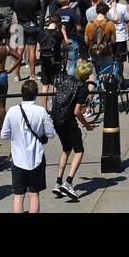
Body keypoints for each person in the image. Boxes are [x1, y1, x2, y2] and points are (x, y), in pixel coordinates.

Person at [0, 80, 56, 213]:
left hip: (18, 159)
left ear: (22, 94)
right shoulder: (41, 111)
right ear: (35, 94)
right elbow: (51, 133)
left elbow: (4, 135)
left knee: (18, 196)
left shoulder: (13, 111)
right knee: (34, 194)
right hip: (36, 158)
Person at [51, 60, 95, 200]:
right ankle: (68, 183)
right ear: (87, 75)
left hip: (57, 120)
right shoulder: (83, 88)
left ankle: (58, 182)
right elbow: (77, 111)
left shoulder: (66, 80)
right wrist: (87, 125)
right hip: (69, 122)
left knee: (66, 149)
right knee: (79, 150)